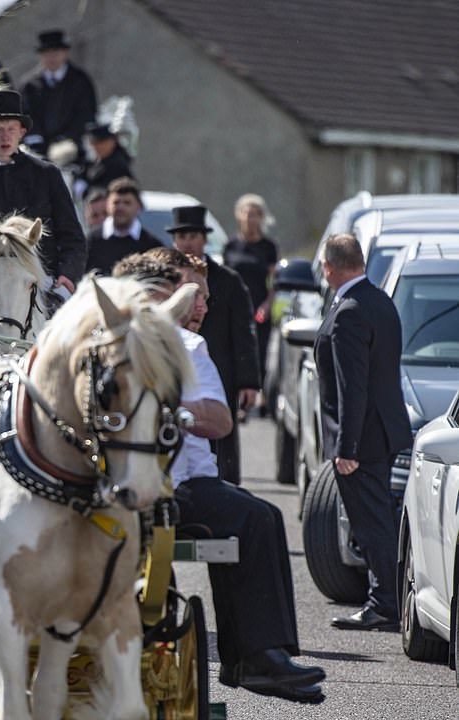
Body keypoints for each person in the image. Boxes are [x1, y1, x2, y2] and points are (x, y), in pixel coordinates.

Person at [114, 251, 326, 704]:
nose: (199, 305)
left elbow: (218, 419)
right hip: (169, 489)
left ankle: (258, 657)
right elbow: (221, 420)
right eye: (189, 293)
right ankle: (255, 658)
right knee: (257, 519)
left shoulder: (107, 338)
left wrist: (172, 410)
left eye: (203, 296)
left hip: (128, 488)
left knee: (260, 515)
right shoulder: (183, 344)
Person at [315, 233, 412, 631]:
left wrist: (347, 447)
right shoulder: (380, 300)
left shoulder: (349, 311)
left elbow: (352, 387)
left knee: (371, 524)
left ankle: (385, 603)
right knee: (378, 520)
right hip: (382, 432)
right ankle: (388, 598)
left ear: (328, 268)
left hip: (363, 439)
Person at [0, 89, 86, 295]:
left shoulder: (48, 175)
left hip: (43, 277)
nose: (5, 136)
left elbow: (72, 235)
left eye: (11, 129)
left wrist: (67, 273)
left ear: (22, 132)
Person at [168, 205, 259, 486]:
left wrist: (248, 381)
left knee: (222, 437)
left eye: (193, 236)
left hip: (221, 368)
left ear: (204, 239)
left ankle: (224, 485)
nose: (187, 242)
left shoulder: (228, 280)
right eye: (182, 236)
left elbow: (244, 331)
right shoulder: (166, 280)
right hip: (179, 366)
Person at [223, 194, 279, 409]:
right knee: (235, 349)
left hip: (258, 306)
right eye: (247, 214)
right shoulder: (231, 246)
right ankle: (239, 399)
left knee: (259, 350)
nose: (250, 219)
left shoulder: (268, 247)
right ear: (239, 216)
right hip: (235, 306)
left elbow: (273, 281)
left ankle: (260, 395)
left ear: (261, 218)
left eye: (255, 215)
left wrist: (268, 304)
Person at [21, 29, 97, 162]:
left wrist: (68, 138)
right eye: (46, 54)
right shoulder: (30, 85)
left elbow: (87, 114)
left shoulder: (80, 81)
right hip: (39, 147)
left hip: (73, 148)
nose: (51, 58)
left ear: (65, 53)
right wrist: (35, 138)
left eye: (55, 53)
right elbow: (25, 115)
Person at [85, 177, 160, 276]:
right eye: (116, 202)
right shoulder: (91, 241)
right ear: (107, 205)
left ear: (139, 207)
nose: (120, 208)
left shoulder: (151, 245)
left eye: (127, 203)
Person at [81, 122, 134, 194]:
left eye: (100, 142)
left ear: (112, 141)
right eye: (94, 143)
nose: (96, 146)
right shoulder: (95, 162)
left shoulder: (117, 164)